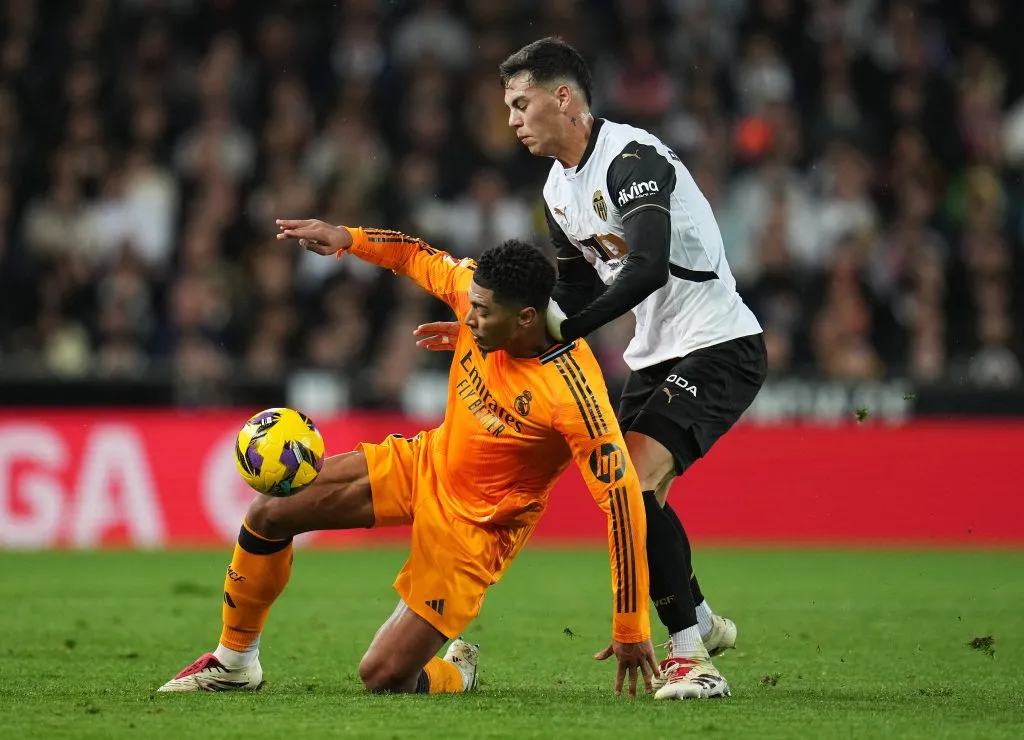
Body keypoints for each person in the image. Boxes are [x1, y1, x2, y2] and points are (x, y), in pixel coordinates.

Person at [158, 219, 659, 698]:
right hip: (426, 464)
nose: (468, 315)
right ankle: (234, 662)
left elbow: (622, 502)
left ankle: (457, 673)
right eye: (472, 305)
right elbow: (413, 254)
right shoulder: (475, 298)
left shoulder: (573, 395)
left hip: (476, 530)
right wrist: (344, 239)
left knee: (382, 676)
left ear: (526, 317)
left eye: (483, 312)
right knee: (269, 512)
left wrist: (631, 624)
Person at [415, 37, 767, 700]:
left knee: (632, 483)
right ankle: (696, 621)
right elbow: (569, 293)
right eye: (508, 108)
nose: (512, 119)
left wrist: (570, 331)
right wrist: (485, 332)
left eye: (521, 104)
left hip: (720, 342)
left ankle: (692, 658)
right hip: (655, 352)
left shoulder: (630, 160)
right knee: (631, 495)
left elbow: (647, 265)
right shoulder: (557, 192)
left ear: (563, 98)